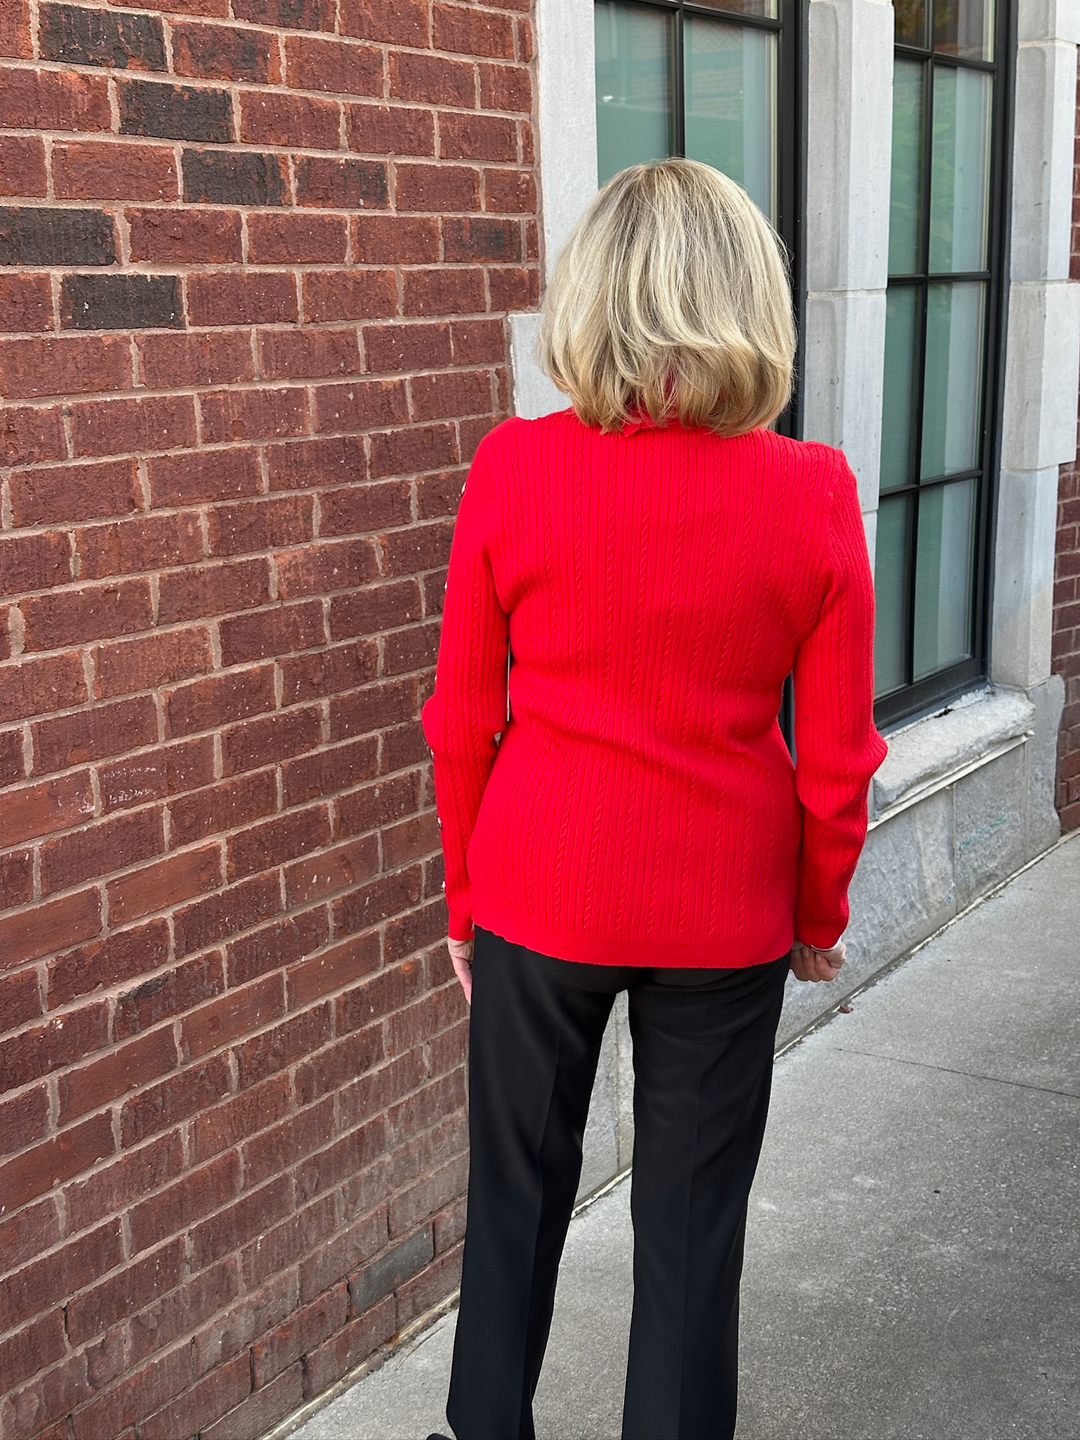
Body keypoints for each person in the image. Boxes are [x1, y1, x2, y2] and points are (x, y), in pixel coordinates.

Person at [420, 158, 887, 1440]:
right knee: (690, 1226)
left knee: (514, 1198)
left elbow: (463, 719)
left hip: (535, 890)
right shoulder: (812, 491)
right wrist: (817, 912)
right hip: (725, 911)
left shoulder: (515, 470)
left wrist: (467, 902)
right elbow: (839, 758)